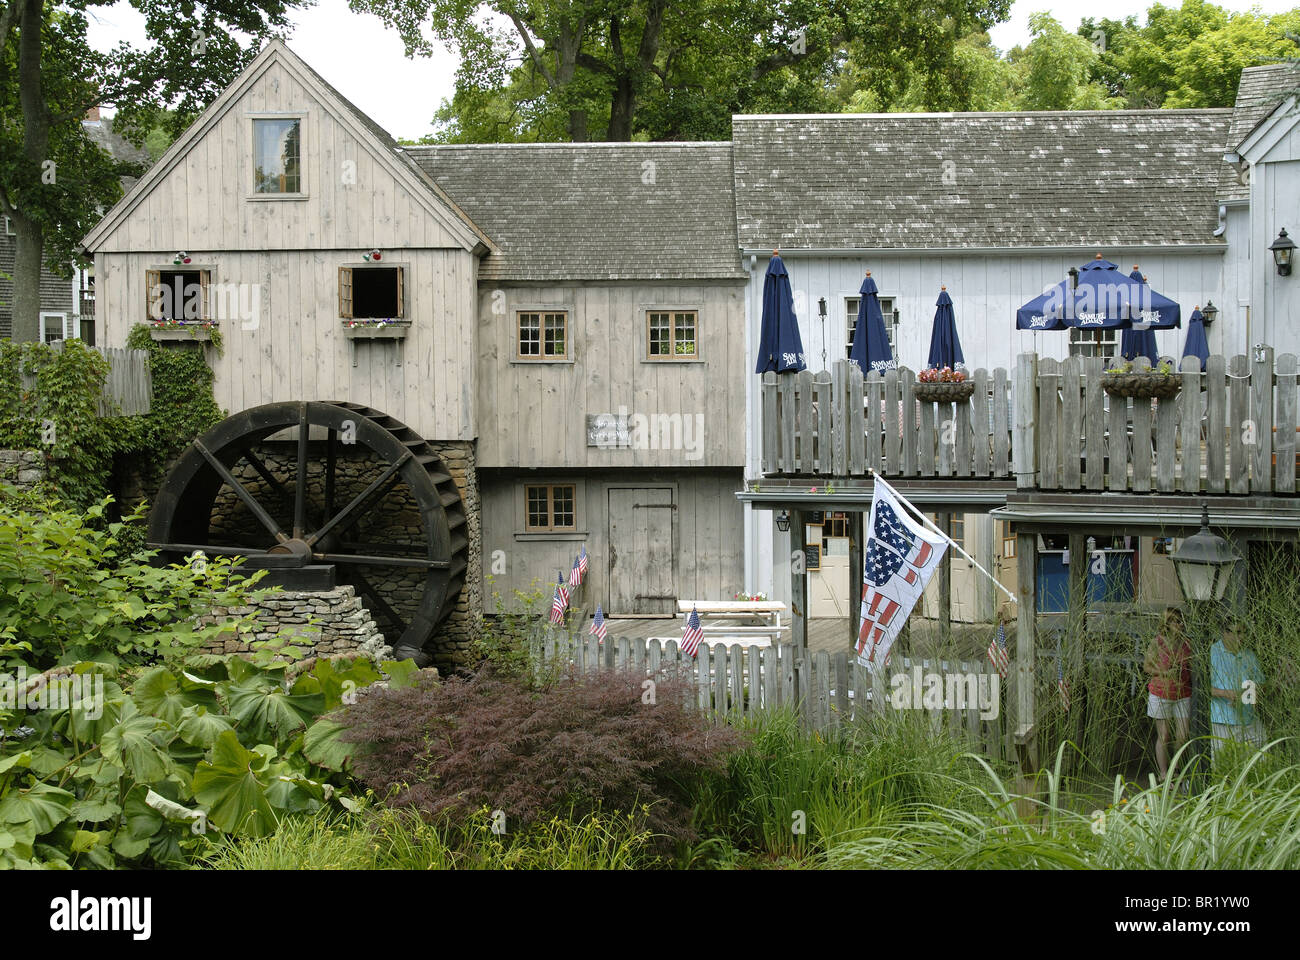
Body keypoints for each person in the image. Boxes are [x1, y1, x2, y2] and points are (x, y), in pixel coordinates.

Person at [1143, 607, 1192, 781]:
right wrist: (1165, 673)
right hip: (1161, 692)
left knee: (1183, 735)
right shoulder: (1157, 642)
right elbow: (1147, 667)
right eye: (1175, 621)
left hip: (1183, 692)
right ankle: (1163, 773)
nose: (1179, 624)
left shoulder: (1186, 644)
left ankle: (1175, 767)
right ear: (1167, 623)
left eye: (1181, 621)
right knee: (1164, 735)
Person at [1210, 619, 1265, 765]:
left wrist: (1248, 692)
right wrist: (1226, 693)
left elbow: (1261, 683)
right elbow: (1200, 687)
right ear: (1225, 633)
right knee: (1221, 762)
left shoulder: (1249, 655)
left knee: (1261, 757)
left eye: (1243, 633)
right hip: (1222, 719)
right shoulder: (1211, 653)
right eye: (1237, 632)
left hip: (1249, 718)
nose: (1241, 637)